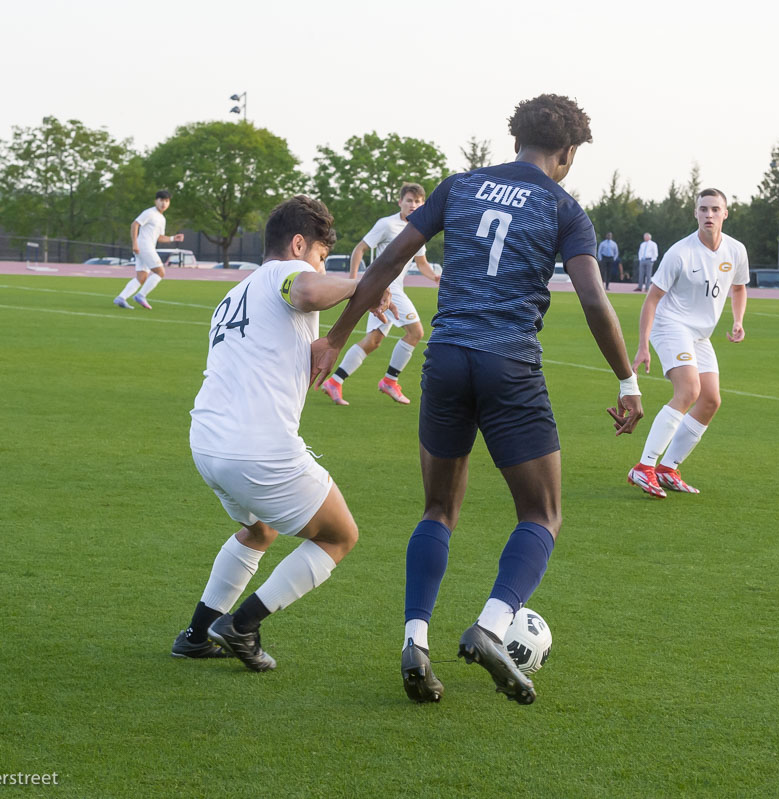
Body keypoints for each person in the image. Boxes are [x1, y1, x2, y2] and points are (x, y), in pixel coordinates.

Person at [312, 94, 644, 706]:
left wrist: (335, 336)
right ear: (568, 153)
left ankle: (415, 640)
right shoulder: (565, 208)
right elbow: (595, 300)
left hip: (445, 357)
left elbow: (389, 261)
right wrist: (626, 378)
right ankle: (492, 627)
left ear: (517, 137)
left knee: (438, 508)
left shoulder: (459, 186)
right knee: (541, 513)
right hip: (509, 361)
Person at [172, 195, 385, 672]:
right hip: (257, 448)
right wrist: (360, 284)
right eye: (320, 257)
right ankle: (241, 624)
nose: (321, 269)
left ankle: (195, 634)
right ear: (297, 244)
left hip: (206, 442)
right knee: (339, 536)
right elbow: (306, 291)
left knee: (258, 529)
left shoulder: (233, 295)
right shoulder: (282, 276)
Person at [627, 189, 748, 498]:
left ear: (725, 213)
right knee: (689, 391)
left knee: (710, 401)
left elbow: (738, 288)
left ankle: (668, 469)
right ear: (695, 213)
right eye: (703, 209)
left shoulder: (736, 251)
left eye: (715, 209)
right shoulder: (680, 252)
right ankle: (644, 467)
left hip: (700, 334)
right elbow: (651, 300)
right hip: (671, 326)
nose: (709, 214)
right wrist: (643, 345)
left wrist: (738, 320)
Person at [321, 183, 441, 406]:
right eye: (409, 200)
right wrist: (354, 279)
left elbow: (421, 263)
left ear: (423, 203)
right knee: (415, 332)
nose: (413, 205)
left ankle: (335, 382)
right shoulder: (386, 224)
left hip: (392, 289)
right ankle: (389, 381)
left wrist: (434, 277)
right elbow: (360, 248)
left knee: (373, 341)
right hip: (386, 288)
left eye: (418, 201)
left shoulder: (421, 228)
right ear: (400, 202)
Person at [113, 190, 184, 310]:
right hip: (144, 246)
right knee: (160, 272)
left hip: (145, 247)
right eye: (161, 200)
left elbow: (160, 237)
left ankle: (121, 298)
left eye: (166, 201)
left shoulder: (161, 218)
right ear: (156, 201)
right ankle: (141, 295)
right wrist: (135, 243)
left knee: (141, 277)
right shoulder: (150, 213)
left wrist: (173, 238)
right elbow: (135, 224)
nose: (164, 203)